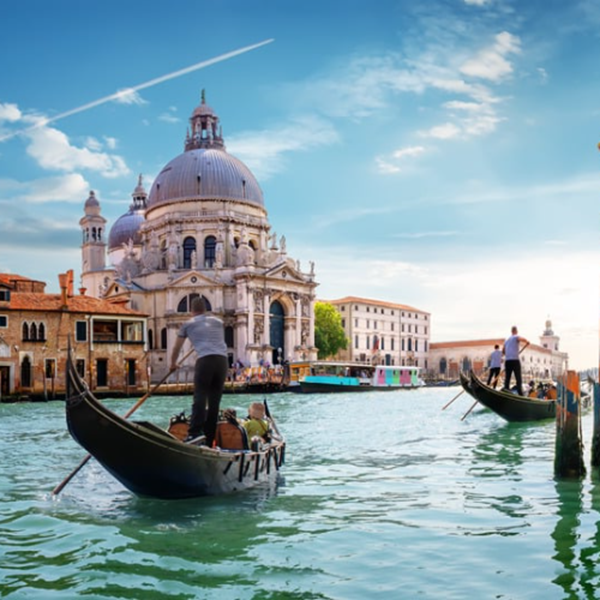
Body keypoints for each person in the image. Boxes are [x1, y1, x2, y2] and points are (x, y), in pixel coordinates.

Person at [170, 297, 228, 445]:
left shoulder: (188, 324)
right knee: (215, 401)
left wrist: (172, 364)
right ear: (205, 309)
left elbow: (177, 347)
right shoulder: (218, 322)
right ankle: (209, 438)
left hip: (205, 360)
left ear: (191, 310)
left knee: (200, 397)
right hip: (222, 361)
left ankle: (195, 433)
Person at [502, 326, 529, 397]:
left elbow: (503, 351)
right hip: (515, 361)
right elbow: (521, 339)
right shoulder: (516, 336)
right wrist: (527, 341)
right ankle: (520, 394)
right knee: (518, 378)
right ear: (516, 331)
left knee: (507, 378)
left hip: (507, 361)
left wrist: (508, 354)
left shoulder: (506, 340)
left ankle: (506, 390)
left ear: (511, 331)